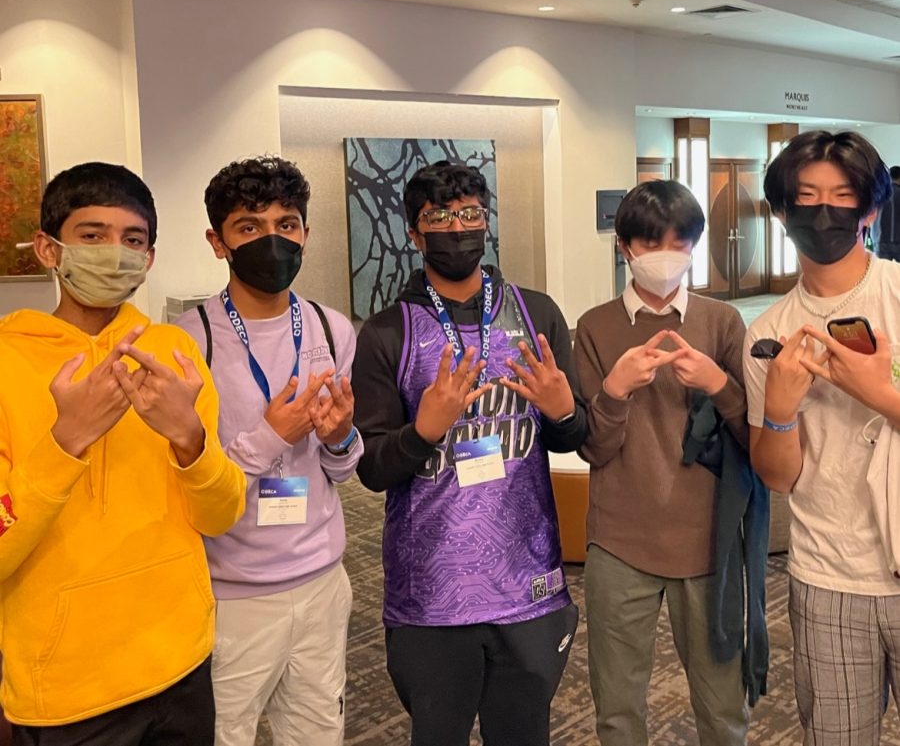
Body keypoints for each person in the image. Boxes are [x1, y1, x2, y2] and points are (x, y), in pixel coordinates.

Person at [0, 162, 246, 745]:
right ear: (47, 248)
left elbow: (222, 514)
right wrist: (66, 442)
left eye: (132, 240)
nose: (115, 253)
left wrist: (190, 440)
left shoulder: (174, 352)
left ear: (150, 258)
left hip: (182, 662)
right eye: (92, 236)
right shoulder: (8, 362)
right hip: (65, 687)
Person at [353, 161, 585, 746]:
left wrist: (562, 410)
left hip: (527, 581)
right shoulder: (388, 332)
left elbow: (570, 438)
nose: (457, 227)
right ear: (414, 233)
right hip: (431, 589)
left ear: (486, 222)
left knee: (523, 735)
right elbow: (372, 469)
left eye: (470, 215)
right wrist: (423, 431)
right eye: (439, 218)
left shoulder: (537, 314)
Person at [176, 156, 361, 746]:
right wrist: (270, 438)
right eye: (249, 227)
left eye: (287, 223)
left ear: (305, 232)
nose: (272, 239)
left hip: (321, 581)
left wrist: (337, 438)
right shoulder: (189, 339)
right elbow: (186, 479)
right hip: (229, 591)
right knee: (224, 734)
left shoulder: (333, 329)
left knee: (315, 733)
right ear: (217, 241)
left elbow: (343, 469)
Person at [574, 180, 752, 746]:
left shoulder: (721, 323)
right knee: (618, 711)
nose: (666, 256)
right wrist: (614, 391)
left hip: (707, 543)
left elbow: (754, 435)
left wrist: (721, 384)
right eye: (652, 243)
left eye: (681, 242)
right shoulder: (596, 327)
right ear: (625, 247)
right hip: (618, 543)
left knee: (724, 709)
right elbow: (592, 449)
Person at [744, 130, 900, 745]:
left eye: (842, 196)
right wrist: (780, 410)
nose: (824, 212)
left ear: (870, 210)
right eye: (806, 197)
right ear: (782, 212)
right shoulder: (770, 331)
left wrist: (880, 393)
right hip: (828, 575)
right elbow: (778, 475)